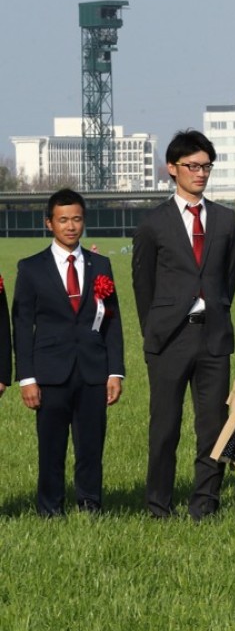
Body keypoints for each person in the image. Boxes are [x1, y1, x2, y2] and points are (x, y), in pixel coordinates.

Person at [132, 129, 235, 521]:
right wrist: (156, 329)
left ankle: (205, 504)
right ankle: (159, 505)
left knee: (213, 428)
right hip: (168, 338)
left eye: (206, 166)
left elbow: (230, 276)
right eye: (193, 166)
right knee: (165, 426)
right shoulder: (153, 223)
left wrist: (215, 309)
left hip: (213, 337)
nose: (200, 173)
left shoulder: (227, 220)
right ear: (172, 169)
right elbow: (142, 285)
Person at [13, 189, 124, 516]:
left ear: (84, 222)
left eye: (76, 219)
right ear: (49, 223)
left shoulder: (100, 264)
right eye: (63, 220)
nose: (70, 226)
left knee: (91, 446)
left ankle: (91, 505)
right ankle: (50, 509)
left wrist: (114, 371)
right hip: (50, 373)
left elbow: (112, 323)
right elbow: (21, 324)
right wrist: (27, 377)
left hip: (92, 370)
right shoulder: (31, 268)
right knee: (51, 447)